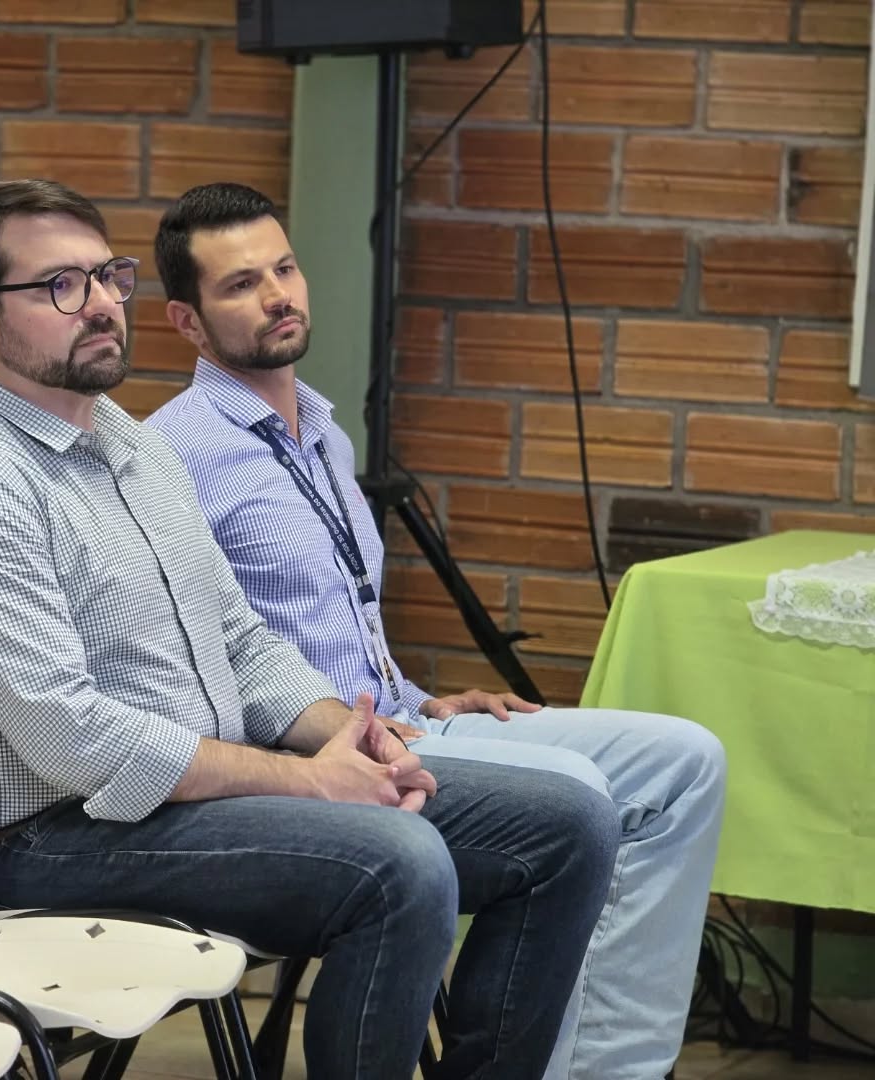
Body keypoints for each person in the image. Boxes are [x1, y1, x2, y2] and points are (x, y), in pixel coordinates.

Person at [0, 178, 621, 1080]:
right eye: (59, 287)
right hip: (55, 839)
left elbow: (240, 640)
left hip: (192, 805)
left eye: (107, 276)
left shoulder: (131, 443)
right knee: (400, 863)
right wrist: (309, 782)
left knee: (570, 826)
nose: (102, 304)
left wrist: (356, 738)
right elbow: (72, 736)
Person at [145, 182, 728, 1080]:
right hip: (322, 759)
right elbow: (213, 656)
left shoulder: (324, 434)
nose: (278, 296)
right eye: (241, 285)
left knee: (688, 761)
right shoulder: (170, 456)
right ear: (187, 322)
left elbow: (338, 621)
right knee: (577, 795)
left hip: (410, 719)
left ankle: (606, 1069)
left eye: (285, 269)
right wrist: (352, 732)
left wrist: (424, 697)